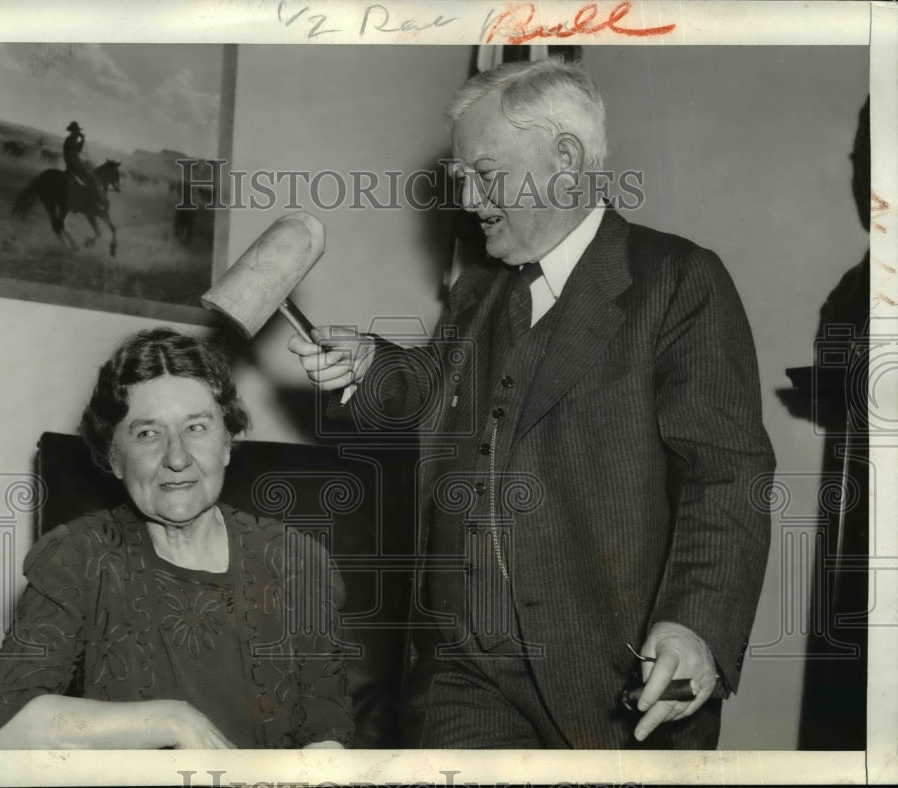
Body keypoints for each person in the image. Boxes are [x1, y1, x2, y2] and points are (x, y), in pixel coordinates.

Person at [287, 57, 775, 749]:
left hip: (612, 681)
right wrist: (368, 367)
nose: (469, 199)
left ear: (565, 159)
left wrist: (695, 626)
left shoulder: (675, 281)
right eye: (461, 178)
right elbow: (431, 393)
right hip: (462, 672)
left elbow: (726, 476)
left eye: (485, 174)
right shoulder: (479, 289)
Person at [0, 328, 353, 749]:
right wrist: (168, 721)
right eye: (148, 433)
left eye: (196, 427)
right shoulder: (78, 558)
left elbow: (327, 730)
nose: (177, 458)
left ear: (227, 443)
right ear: (114, 457)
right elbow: (3, 732)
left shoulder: (296, 561)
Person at [63, 120, 105, 205]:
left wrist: (81, 140)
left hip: (71, 162)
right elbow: (77, 150)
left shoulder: (70, 139)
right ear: (73, 131)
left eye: (77, 131)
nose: (78, 132)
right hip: (74, 163)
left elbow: (77, 150)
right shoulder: (72, 139)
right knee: (90, 177)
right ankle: (90, 199)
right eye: (76, 131)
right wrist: (82, 140)